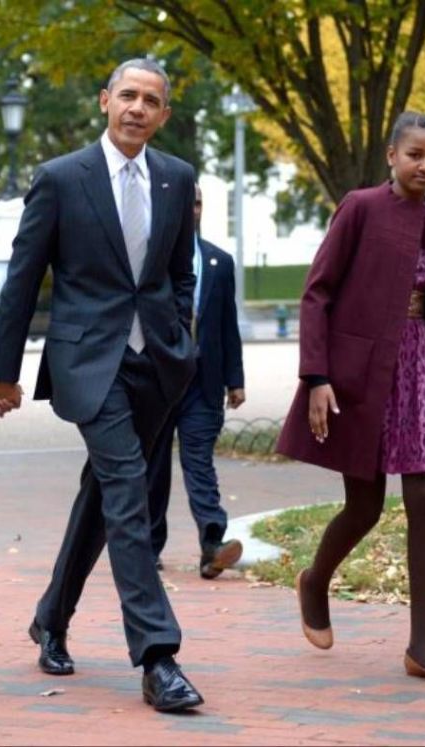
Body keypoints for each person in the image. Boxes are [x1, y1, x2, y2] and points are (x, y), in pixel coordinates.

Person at [0, 58, 204, 713]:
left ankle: (51, 615)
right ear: (105, 100)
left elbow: (179, 272)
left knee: (104, 493)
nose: (137, 107)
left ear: (163, 114)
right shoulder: (60, 179)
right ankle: (158, 655)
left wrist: (183, 342)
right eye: (127, 95)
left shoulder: (175, 177)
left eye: (151, 100)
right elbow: (23, 279)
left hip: (157, 364)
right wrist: (2, 371)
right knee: (130, 493)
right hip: (89, 361)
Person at [276, 112, 425, 687]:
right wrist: (316, 377)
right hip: (362, 374)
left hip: (424, 369)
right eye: (416, 155)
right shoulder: (360, 208)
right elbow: (317, 295)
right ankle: (315, 579)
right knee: (364, 507)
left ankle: (421, 647)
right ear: (392, 155)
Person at [146, 185, 246, 578]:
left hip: (203, 383)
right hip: (157, 380)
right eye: (186, 203)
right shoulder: (150, 260)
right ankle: (149, 547)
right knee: (153, 469)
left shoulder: (219, 262)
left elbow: (227, 325)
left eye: (199, 202)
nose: (193, 209)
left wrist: (235, 380)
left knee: (199, 462)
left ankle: (212, 543)